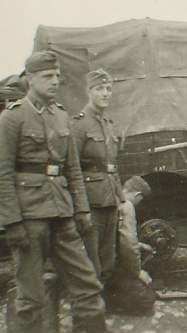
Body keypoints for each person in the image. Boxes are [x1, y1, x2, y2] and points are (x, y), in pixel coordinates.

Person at [0, 51, 115, 333]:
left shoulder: (61, 116)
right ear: (30, 78)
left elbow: (72, 169)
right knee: (31, 298)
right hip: (29, 217)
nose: (55, 81)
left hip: (62, 214)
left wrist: (82, 210)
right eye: (47, 76)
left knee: (87, 286)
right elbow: (1, 174)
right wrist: (12, 222)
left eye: (57, 75)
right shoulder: (11, 119)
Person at [70, 68, 124, 287]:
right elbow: (71, 168)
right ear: (89, 91)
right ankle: (90, 311)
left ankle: (102, 308)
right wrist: (80, 208)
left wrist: (120, 198)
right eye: (99, 88)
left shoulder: (109, 124)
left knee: (108, 259)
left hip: (110, 200)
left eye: (108, 88)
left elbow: (112, 166)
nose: (105, 93)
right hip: (90, 203)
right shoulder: (80, 124)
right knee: (90, 263)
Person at [104, 176, 156, 315]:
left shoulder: (110, 197)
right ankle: (110, 301)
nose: (139, 204)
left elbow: (113, 237)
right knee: (147, 300)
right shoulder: (126, 205)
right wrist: (138, 271)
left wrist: (139, 245)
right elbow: (128, 244)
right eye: (141, 200)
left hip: (98, 261)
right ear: (138, 195)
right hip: (108, 265)